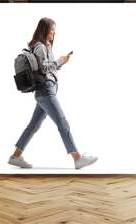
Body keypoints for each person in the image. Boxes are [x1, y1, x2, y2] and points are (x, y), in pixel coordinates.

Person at [8, 17, 98, 169]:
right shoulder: (40, 47)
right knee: (62, 122)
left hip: (45, 91)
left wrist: (60, 63)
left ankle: (15, 156)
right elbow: (44, 69)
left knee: (33, 126)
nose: (53, 33)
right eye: (51, 30)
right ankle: (78, 158)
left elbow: (46, 69)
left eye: (54, 31)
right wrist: (60, 61)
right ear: (44, 30)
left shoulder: (44, 46)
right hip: (46, 91)